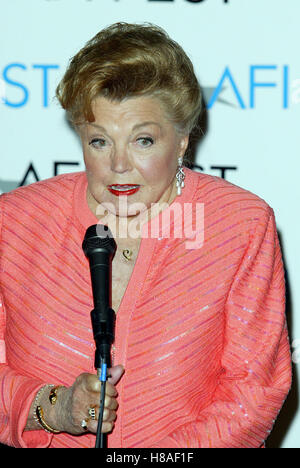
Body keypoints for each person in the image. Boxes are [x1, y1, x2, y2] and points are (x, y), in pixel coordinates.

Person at [0, 22, 291, 449]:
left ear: (182, 141)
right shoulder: (15, 223)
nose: (119, 164)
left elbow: (253, 393)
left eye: (143, 140)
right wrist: (52, 406)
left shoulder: (238, 225)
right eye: (100, 141)